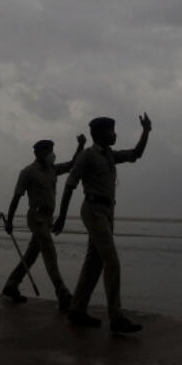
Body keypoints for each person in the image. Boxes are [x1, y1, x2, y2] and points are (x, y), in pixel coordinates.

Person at [54, 113, 152, 334]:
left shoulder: (109, 155)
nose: (115, 134)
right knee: (112, 261)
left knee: (94, 263)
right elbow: (70, 185)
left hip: (107, 212)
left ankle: (77, 310)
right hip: (93, 210)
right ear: (100, 134)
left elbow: (135, 154)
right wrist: (61, 217)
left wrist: (146, 132)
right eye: (111, 130)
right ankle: (116, 317)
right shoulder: (88, 156)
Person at [0, 134, 86, 310]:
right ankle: (62, 294)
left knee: (31, 256)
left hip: (47, 219)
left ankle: (11, 285)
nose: (52, 154)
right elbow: (16, 197)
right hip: (36, 218)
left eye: (52, 151)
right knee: (50, 253)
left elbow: (72, 164)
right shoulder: (27, 172)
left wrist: (80, 145)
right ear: (38, 153)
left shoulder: (52, 169)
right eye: (48, 151)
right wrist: (9, 221)